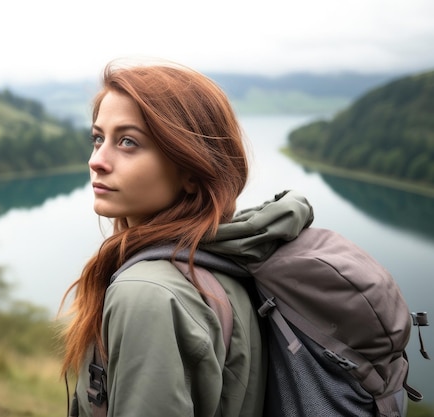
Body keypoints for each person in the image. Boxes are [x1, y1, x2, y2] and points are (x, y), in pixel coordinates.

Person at [60, 60, 313, 417]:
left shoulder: (147, 293)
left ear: (191, 172)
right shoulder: (226, 261)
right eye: (98, 138)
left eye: (128, 142)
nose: (97, 160)